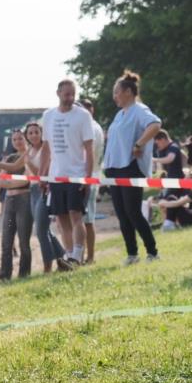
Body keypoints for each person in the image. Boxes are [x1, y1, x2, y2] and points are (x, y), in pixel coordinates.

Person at [102, 70, 163, 264]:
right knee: (122, 214)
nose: (114, 96)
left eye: (117, 92)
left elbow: (155, 125)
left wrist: (139, 144)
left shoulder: (139, 110)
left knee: (133, 212)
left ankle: (153, 252)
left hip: (130, 167)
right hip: (114, 169)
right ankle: (132, 254)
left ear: (128, 92)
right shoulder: (119, 114)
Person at [40, 79, 95, 270]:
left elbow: (89, 149)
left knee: (75, 215)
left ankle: (77, 255)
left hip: (76, 175)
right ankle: (69, 255)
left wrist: (87, 177)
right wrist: (43, 175)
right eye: (67, 94)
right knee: (61, 217)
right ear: (58, 93)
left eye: (73, 94)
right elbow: (46, 148)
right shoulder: (48, 115)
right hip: (56, 175)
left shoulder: (83, 115)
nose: (70, 97)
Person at [0, 130, 33, 281]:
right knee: (6, 241)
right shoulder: (9, 158)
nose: (17, 142)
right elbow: (1, 181)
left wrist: (11, 183)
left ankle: (24, 274)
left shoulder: (30, 156)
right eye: (14, 139)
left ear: (26, 139)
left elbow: (27, 179)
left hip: (24, 200)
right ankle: (4, 276)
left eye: (20, 139)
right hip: (9, 202)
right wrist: (14, 183)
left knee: (23, 240)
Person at [79, 99, 104, 264]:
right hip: (91, 174)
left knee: (86, 220)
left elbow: (87, 154)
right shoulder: (94, 127)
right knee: (85, 219)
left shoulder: (91, 128)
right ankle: (84, 256)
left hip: (88, 176)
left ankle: (88, 257)